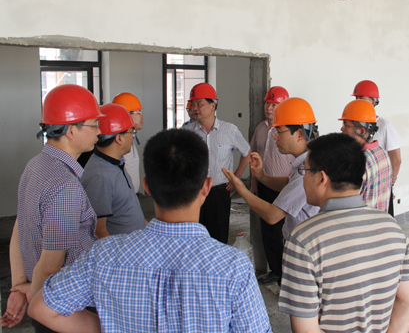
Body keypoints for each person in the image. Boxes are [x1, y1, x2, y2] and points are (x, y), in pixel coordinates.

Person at [27, 129, 272, 333]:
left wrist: (110, 325)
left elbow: (41, 309)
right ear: (206, 187)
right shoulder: (232, 267)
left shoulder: (104, 255)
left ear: (147, 187)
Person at [279, 133, 409, 333]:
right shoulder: (393, 228)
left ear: (321, 178)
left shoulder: (303, 240)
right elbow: (407, 301)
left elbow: (306, 330)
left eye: (305, 171)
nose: (303, 178)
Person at [1, 85, 102, 332]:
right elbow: (49, 267)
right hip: (65, 307)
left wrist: (20, 286)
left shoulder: (36, 165)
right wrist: (36, 303)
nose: (100, 131)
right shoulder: (64, 185)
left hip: (43, 297)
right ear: (71, 130)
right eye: (94, 124)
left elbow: (19, 228)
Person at [222, 97, 320, 247]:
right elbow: (288, 182)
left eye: (279, 131)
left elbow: (272, 215)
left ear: (300, 134)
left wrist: (240, 187)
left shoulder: (306, 171)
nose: (275, 137)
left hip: (303, 247)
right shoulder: (305, 161)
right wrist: (261, 176)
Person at [182, 83, 251, 244]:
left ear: (212, 105)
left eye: (199, 103)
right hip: (194, 193)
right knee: (193, 237)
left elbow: (247, 152)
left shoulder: (229, 130)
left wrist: (236, 177)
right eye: (193, 104)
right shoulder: (186, 132)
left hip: (219, 194)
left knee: (218, 237)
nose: (195, 108)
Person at [249, 86, 295, 284]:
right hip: (264, 186)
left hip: (286, 188)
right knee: (268, 231)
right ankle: (275, 270)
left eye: (274, 105)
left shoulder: (287, 130)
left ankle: (289, 275)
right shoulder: (260, 128)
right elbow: (253, 155)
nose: (269, 108)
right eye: (268, 103)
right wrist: (254, 182)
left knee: (285, 232)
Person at [81, 103, 146, 238]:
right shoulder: (100, 177)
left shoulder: (116, 163)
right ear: (119, 138)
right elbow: (99, 231)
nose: (132, 137)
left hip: (136, 244)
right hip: (122, 250)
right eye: (131, 132)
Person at [352, 80, 401, 214]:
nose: (358, 101)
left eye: (361, 97)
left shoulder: (385, 127)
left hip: (380, 185)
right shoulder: (355, 124)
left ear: (373, 101)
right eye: (356, 98)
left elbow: (396, 160)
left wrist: (389, 184)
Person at [339, 99, 392, 212]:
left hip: (360, 222)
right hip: (380, 221)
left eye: (346, 125)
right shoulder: (383, 154)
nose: (342, 129)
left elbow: (344, 204)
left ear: (361, 131)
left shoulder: (356, 162)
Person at [112, 92, 144, 194]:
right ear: (126, 114)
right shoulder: (119, 142)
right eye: (138, 113)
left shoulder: (130, 138)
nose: (142, 117)